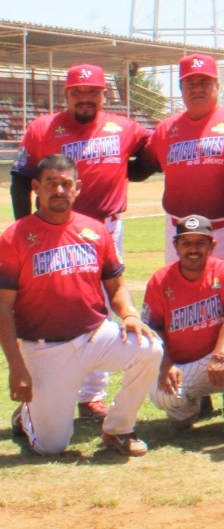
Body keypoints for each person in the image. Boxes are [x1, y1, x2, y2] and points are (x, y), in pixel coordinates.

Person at [11, 62, 153, 418]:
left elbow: (150, 156)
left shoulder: (124, 127)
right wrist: (25, 228)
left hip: (104, 229)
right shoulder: (42, 128)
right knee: (49, 302)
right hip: (53, 231)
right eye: (78, 92)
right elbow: (20, 178)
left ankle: (91, 395)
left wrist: (127, 170)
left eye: (93, 92)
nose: (85, 97)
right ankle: (40, 391)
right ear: (67, 94)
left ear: (104, 94)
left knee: (103, 304)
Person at [1, 154, 163, 456]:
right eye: (51, 183)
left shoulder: (95, 230)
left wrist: (129, 313)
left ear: (77, 188)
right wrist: (16, 366)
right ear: (36, 187)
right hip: (46, 348)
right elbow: (3, 307)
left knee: (150, 349)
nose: (59, 190)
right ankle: (28, 415)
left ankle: (118, 429)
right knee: (51, 447)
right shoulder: (16, 236)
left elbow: (116, 286)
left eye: (66, 184)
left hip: (94, 336)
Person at [142, 214, 224, 441]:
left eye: (200, 243)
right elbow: (152, 328)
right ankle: (188, 410)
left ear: (212, 246)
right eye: (186, 243)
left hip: (216, 359)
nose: (193, 249)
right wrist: (166, 363)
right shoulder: (160, 280)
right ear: (176, 246)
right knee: (160, 395)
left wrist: (220, 355)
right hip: (181, 366)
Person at [147, 53, 224, 263]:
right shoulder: (165, 130)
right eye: (190, 83)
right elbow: (142, 166)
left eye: (204, 82)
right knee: (177, 285)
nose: (197, 89)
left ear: (217, 86)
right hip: (178, 233)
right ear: (181, 88)